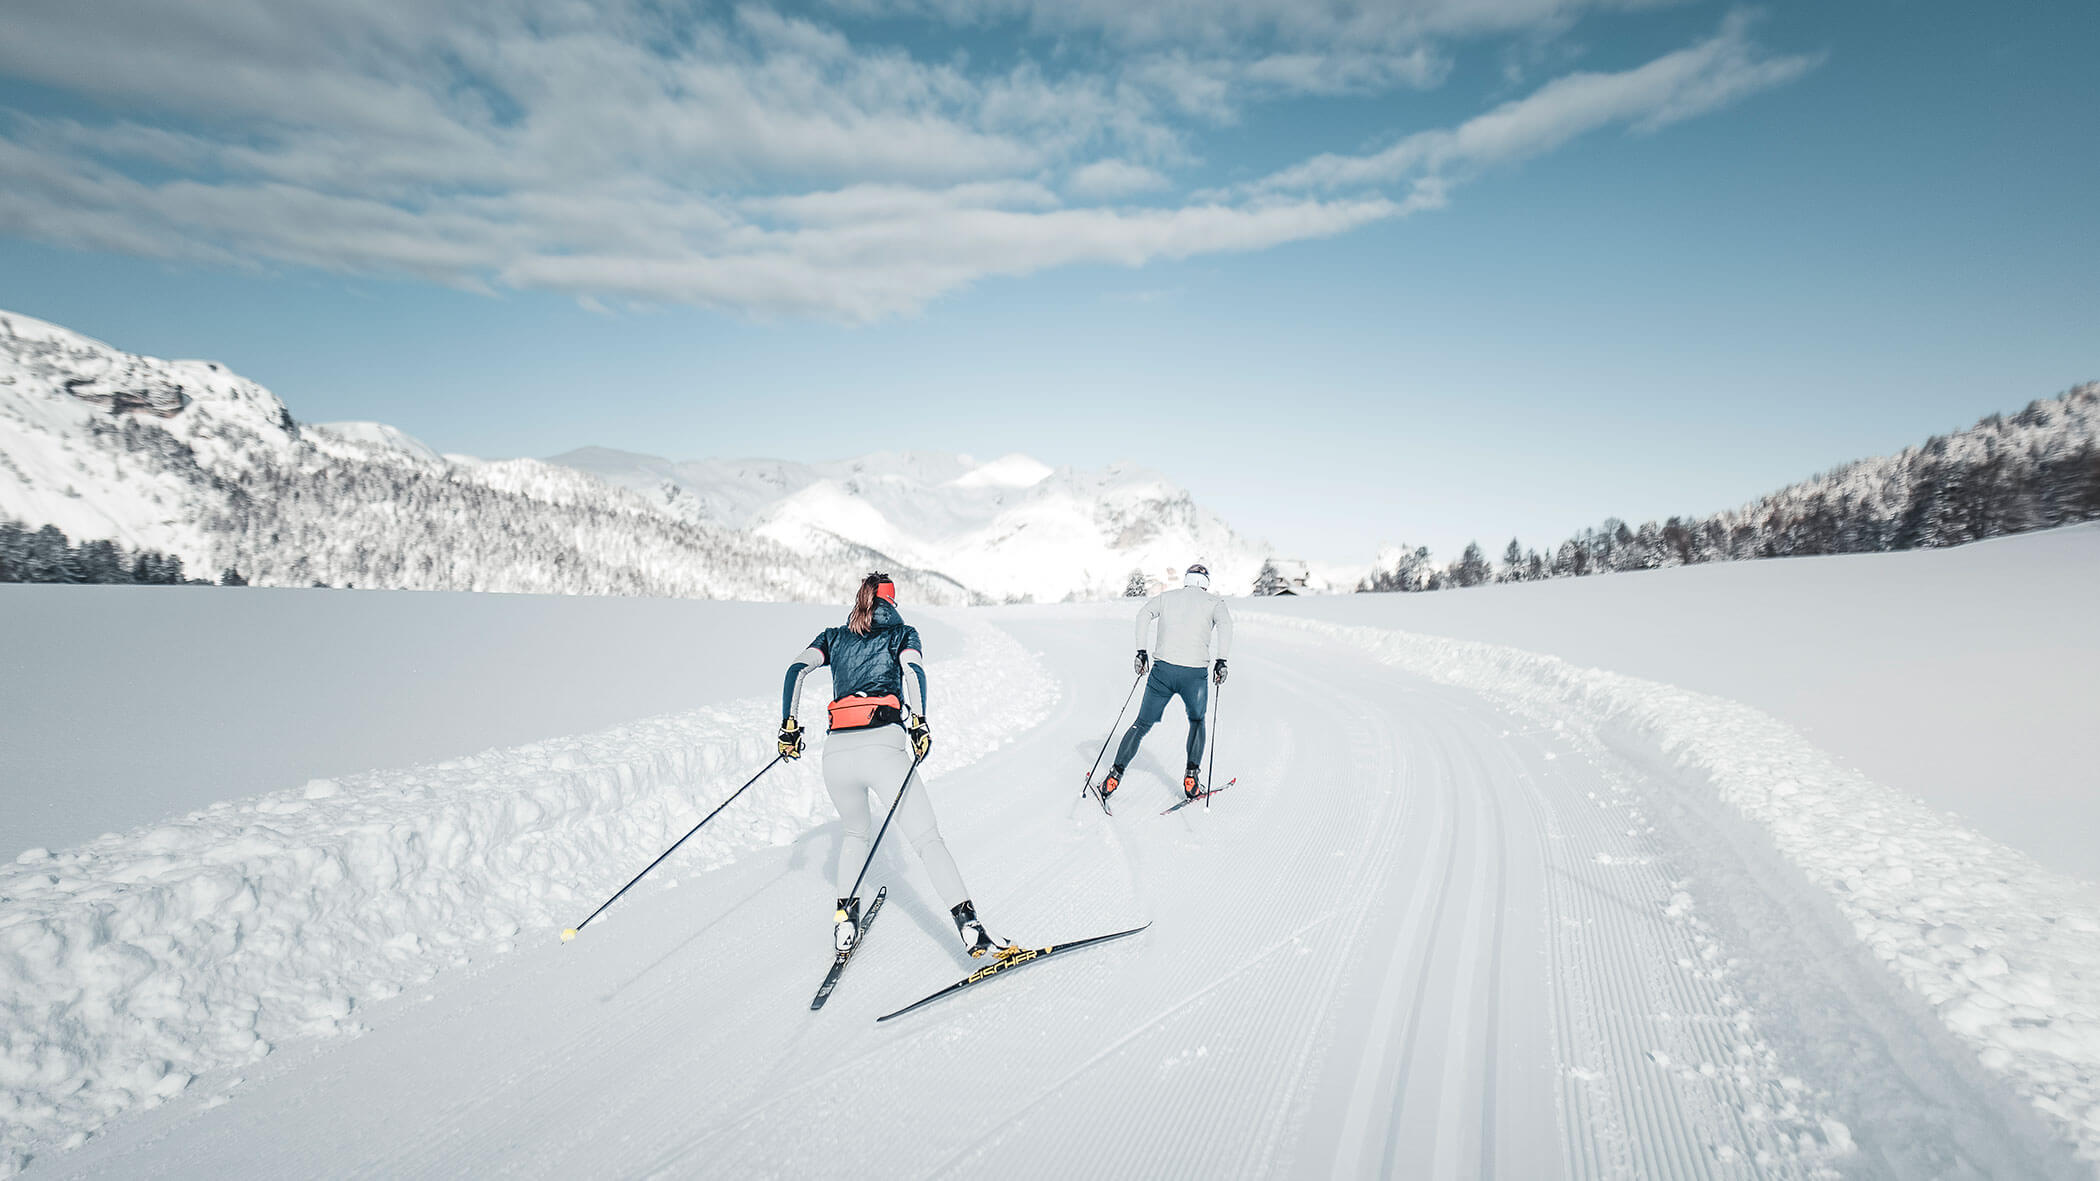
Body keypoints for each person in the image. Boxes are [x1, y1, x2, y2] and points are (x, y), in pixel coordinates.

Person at [779, 573, 1004, 958]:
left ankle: (845, 927)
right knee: (928, 841)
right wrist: (919, 721)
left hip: (835, 755)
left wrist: (789, 727)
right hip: (883, 747)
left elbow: (795, 671)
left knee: (854, 835)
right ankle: (972, 930)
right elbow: (913, 671)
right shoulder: (903, 633)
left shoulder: (833, 636)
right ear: (892, 601)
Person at [1102, 562, 1233, 802]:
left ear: (1186, 579)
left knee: (1141, 724)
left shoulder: (1167, 597)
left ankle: (1115, 774)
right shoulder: (1214, 603)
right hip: (1194, 675)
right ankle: (1191, 777)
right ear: (1206, 583)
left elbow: (1143, 615)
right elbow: (1226, 626)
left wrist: (1141, 652)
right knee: (1196, 721)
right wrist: (1221, 661)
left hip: (1162, 672)